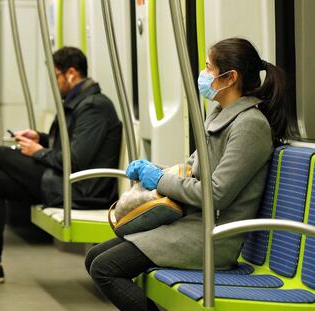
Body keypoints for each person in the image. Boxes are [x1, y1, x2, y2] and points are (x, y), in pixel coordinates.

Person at [85, 37, 294, 310]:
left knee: (105, 268)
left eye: (209, 68)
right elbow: (193, 170)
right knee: (94, 257)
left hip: (214, 236)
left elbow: (216, 193)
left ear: (230, 78)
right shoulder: (220, 114)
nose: (204, 74)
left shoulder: (249, 126)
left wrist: (159, 179)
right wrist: (153, 169)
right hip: (192, 224)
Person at [0, 47, 122, 283]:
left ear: (71, 73)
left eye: (56, 76)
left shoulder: (94, 107)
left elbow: (75, 160)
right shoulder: (78, 103)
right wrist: (40, 138)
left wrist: (38, 152)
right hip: (66, 182)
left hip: (83, 190)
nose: (54, 84)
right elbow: (69, 144)